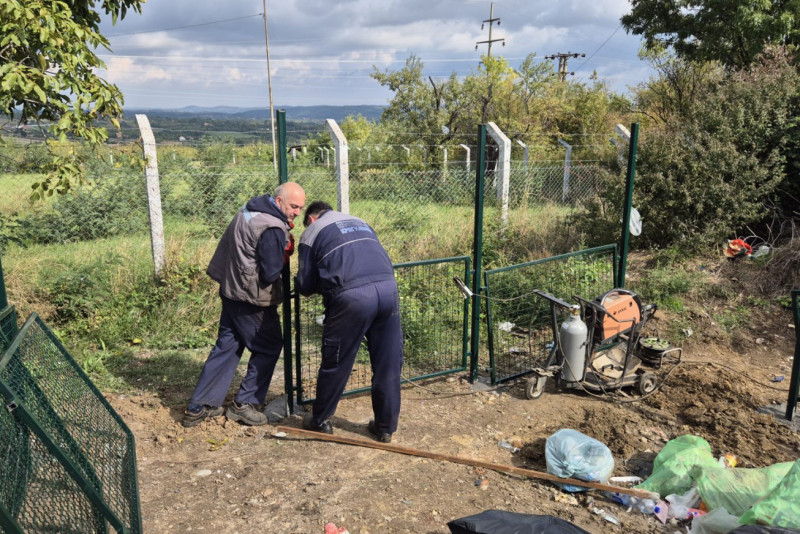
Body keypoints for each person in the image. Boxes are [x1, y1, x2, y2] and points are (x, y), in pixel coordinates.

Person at [181, 182, 306, 428]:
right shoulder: (272, 227)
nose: (297, 213)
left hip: (231, 289)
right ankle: (244, 404)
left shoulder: (249, 210)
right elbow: (270, 273)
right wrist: (284, 251)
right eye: (294, 206)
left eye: (301, 208)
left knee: (227, 346)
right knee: (269, 346)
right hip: (252, 298)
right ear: (279, 201)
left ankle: (199, 406)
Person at [295, 201, 403, 443]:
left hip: (352, 297)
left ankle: (320, 420)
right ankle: (385, 428)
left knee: (337, 360)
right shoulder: (359, 221)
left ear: (311, 218)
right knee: (388, 362)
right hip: (388, 290)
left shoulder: (313, 231)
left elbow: (305, 284)